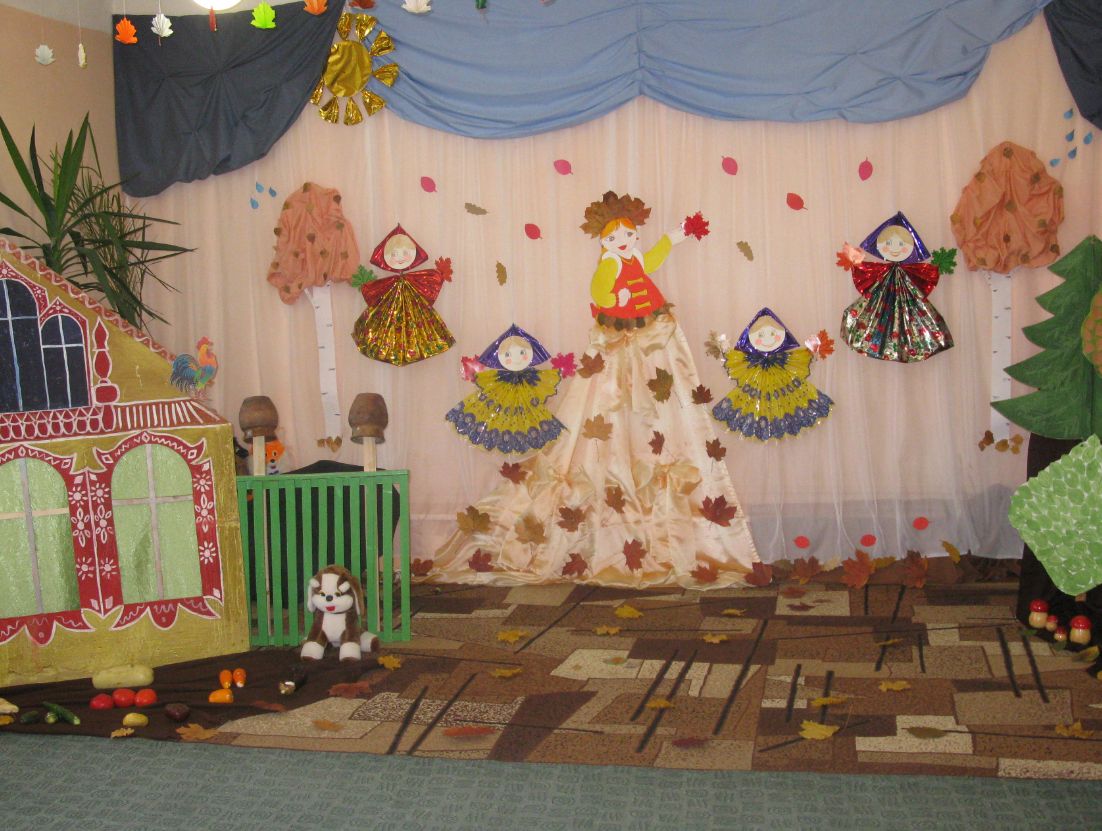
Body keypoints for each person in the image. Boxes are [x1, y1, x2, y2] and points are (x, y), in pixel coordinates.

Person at [430, 191, 759, 588]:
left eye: (629, 235)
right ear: (604, 241)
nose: (624, 241)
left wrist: (676, 236)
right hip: (618, 331)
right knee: (605, 402)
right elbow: (599, 291)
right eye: (615, 237)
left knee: (654, 400)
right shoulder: (608, 263)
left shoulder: (635, 257)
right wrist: (615, 296)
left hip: (649, 328)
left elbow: (653, 258)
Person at [839, 212, 953, 362]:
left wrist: (936, 266)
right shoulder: (880, 270)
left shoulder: (912, 270)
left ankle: (907, 346)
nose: (894, 248)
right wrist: (856, 262)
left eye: (900, 244)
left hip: (909, 302)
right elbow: (866, 271)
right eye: (889, 243)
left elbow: (925, 275)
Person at [445, 325, 568, 455]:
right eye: (508, 354)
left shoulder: (531, 376)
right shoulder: (498, 378)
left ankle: (520, 443)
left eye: (521, 353)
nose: (516, 358)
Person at [712, 308, 833, 440]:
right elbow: (735, 359)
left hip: (785, 388)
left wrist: (811, 350)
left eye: (772, 333)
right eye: (761, 335)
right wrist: (724, 349)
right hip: (757, 389)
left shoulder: (784, 358)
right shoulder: (750, 360)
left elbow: (800, 357)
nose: (768, 339)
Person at [351, 224, 454, 366]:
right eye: (394, 254)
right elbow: (373, 292)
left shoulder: (416, 279)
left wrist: (439, 275)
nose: (399, 258)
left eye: (404, 253)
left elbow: (430, 284)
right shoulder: (388, 283)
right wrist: (366, 284)